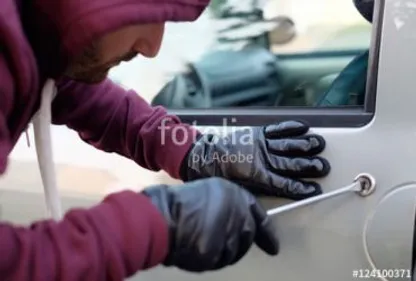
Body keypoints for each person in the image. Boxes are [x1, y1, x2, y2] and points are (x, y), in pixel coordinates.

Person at [0, 0, 331, 280]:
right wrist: (156, 224)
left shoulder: (38, 34)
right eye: (146, 16)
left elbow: (81, 98)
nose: (152, 48)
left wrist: (197, 152)